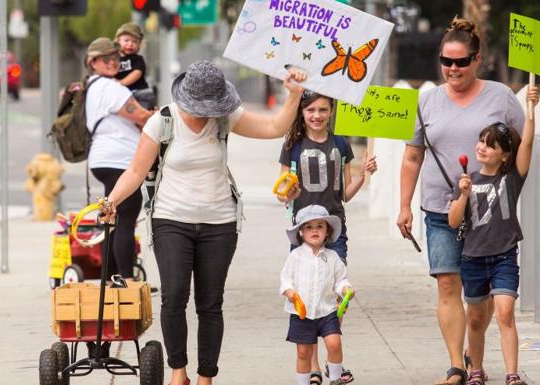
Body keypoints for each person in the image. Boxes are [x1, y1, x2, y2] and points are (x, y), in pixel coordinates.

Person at [101, 60, 307, 385]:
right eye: (202, 107)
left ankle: (205, 376)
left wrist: (292, 95)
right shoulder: (162, 122)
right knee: (174, 295)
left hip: (220, 223)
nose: (208, 113)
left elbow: (273, 128)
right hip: (171, 219)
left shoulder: (225, 118)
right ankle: (178, 371)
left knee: (210, 303)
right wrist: (112, 200)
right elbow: (136, 171)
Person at [396, 17, 526, 385]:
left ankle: (475, 347)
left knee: (479, 297)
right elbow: (411, 157)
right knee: (448, 284)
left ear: (476, 59)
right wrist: (404, 206)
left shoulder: (500, 96)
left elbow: (520, 147)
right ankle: (457, 364)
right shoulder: (427, 101)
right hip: (441, 209)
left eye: (461, 62)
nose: (453, 69)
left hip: (487, 214)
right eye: (446, 61)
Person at [277, 91, 377, 384]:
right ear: (302, 113)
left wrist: (363, 175)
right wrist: (289, 193)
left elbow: (344, 194)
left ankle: (335, 356)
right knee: (308, 290)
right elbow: (282, 190)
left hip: (334, 229)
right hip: (304, 231)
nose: (317, 116)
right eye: (311, 110)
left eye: (323, 110)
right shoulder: (291, 145)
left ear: (332, 111)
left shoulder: (341, 144)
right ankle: (314, 367)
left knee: (335, 292)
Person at [447, 87, 539, 385]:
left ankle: (512, 374)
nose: (482, 148)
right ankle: (475, 370)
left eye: (491, 145)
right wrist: (461, 195)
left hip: (504, 255)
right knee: (475, 318)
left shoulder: (511, 178)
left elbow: (527, 145)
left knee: (504, 313)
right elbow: (453, 221)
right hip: (472, 258)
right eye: (481, 142)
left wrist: (531, 110)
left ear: (504, 155)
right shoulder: (466, 180)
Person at [85, 37, 153, 280]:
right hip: (119, 160)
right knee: (125, 218)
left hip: (102, 159)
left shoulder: (92, 86)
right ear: (93, 62)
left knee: (110, 218)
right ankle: (125, 279)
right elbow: (139, 116)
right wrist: (153, 116)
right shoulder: (110, 88)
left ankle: (110, 278)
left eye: (115, 57)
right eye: (106, 59)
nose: (113, 62)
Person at [280, 204, 354, 385]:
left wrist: (345, 289)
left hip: (327, 310)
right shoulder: (296, 256)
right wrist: (289, 291)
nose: (315, 230)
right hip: (302, 313)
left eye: (320, 226)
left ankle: (335, 378)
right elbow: (286, 279)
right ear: (301, 233)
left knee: (334, 343)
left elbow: (340, 279)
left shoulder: (332, 257)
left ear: (327, 232)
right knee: (303, 352)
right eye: (309, 227)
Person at [114, 22, 155, 110]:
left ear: (139, 45)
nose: (130, 44)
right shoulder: (114, 59)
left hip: (140, 94)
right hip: (124, 95)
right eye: (126, 40)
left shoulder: (137, 59)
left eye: (134, 41)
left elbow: (136, 74)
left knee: (141, 117)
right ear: (118, 41)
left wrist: (120, 83)